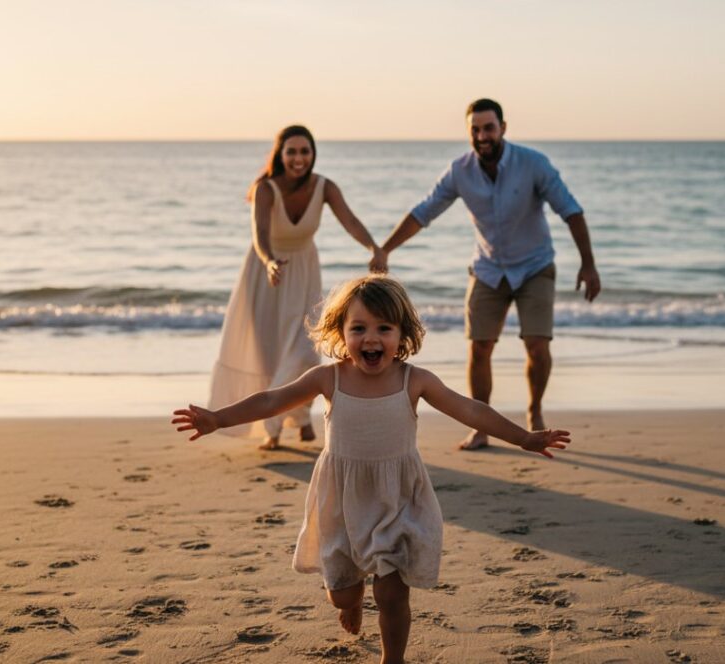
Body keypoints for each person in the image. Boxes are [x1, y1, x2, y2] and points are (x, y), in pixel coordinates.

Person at [174, 275, 571, 664]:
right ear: (341, 333)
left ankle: (392, 658)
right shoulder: (327, 378)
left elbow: (470, 409)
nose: (371, 338)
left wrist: (524, 438)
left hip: (397, 499)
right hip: (343, 502)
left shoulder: (415, 381)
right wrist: (218, 419)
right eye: (359, 328)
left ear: (403, 335)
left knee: (394, 594)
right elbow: (271, 400)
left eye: (384, 328)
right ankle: (352, 602)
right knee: (342, 594)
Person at [370, 98, 601, 450]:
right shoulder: (459, 171)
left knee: (537, 346)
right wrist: (386, 249)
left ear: (503, 128)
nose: (482, 136)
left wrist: (588, 263)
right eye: (475, 130)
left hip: (535, 266)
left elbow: (571, 210)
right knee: (479, 347)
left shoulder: (534, 164)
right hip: (488, 269)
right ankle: (482, 427)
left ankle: (534, 412)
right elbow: (424, 211)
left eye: (488, 128)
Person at [209, 125, 387, 450]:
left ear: (312, 154)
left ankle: (288, 422)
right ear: (280, 155)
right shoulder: (265, 188)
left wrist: (374, 248)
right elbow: (260, 234)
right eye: (291, 151)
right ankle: (288, 425)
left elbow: (350, 220)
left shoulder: (325, 187)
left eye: (305, 151)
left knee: (305, 350)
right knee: (269, 352)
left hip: (305, 271)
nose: (299, 158)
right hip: (267, 274)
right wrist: (270, 261)